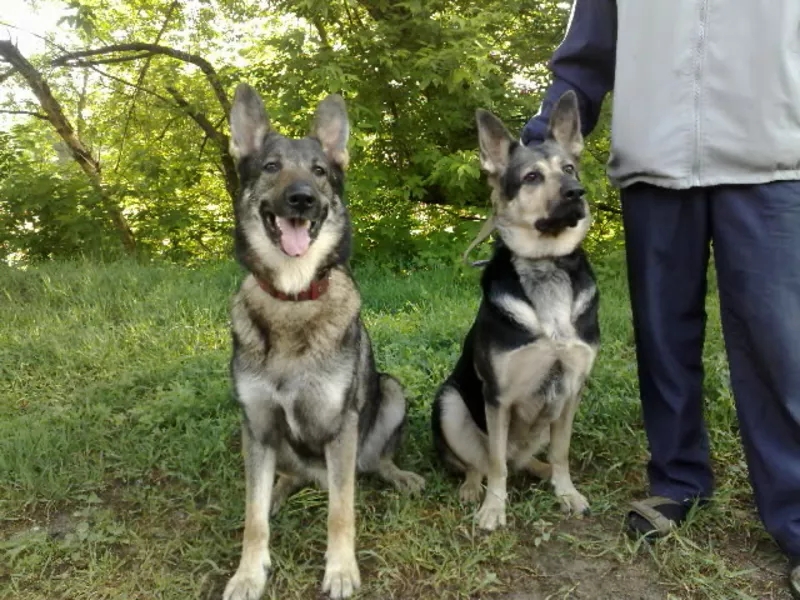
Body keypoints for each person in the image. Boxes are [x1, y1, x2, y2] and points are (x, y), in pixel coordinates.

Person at [521, 1, 800, 596]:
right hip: (656, 165)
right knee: (662, 337)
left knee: (782, 348)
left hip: (774, 162)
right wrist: (535, 147)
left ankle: (798, 516)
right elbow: (585, 57)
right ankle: (678, 482)